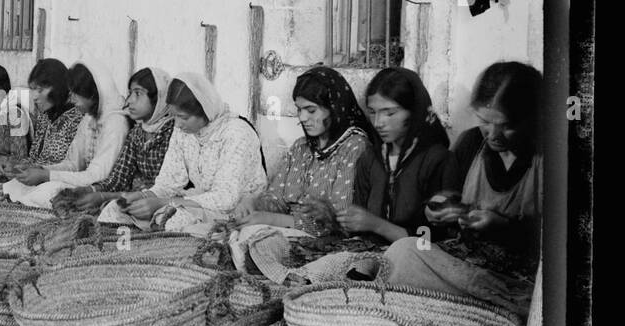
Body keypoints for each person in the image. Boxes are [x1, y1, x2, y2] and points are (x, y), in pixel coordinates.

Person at [381, 61, 543, 316]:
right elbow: (440, 208)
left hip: (517, 281)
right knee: (399, 254)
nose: (493, 135)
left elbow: (560, 245)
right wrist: (436, 210)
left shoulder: (550, 157)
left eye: (507, 125)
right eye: (485, 121)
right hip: (466, 267)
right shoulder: (471, 144)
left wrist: (503, 226)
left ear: (531, 118)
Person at [232, 65, 374, 234]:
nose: (302, 117)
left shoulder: (354, 147)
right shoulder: (301, 147)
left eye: (311, 110)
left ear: (335, 109)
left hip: (326, 242)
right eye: (299, 109)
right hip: (287, 232)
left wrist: (273, 220)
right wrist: (252, 203)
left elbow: (339, 223)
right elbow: (276, 198)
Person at [138, 71, 269, 232]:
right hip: (198, 202)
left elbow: (225, 199)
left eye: (183, 117)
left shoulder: (236, 133)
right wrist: (146, 197)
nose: (177, 124)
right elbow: (169, 181)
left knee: (174, 221)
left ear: (205, 110)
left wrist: (165, 203)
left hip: (239, 209)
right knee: (116, 210)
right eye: (174, 116)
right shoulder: (183, 131)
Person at [336, 66, 453, 242]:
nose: (378, 123)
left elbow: (431, 241)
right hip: (370, 259)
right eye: (372, 112)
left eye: (389, 113)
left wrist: (377, 225)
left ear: (414, 112)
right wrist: (334, 219)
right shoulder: (370, 158)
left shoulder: (437, 160)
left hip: (414, 262)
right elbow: (358, 230)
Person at [3, 61, 129, 209]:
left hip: (97, 190)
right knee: (16, 185)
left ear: (93, 94)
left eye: (76, 93)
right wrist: (41, 169)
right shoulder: (89, 118)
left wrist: (46, 176)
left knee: (48, 192)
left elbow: (97, 176)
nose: (72, 98)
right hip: (79, 181)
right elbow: (73, 164)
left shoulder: (116, 122)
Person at [60, 67, 176, 216]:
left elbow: (169, 188)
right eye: (130, 93)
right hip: (136, 199)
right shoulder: (137, 134)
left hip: (163, 201)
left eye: (138, 94)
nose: (129, 101)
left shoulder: (172, 133)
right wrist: (91, 190)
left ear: (158, 99)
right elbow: (118, 179)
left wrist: (103, 196)